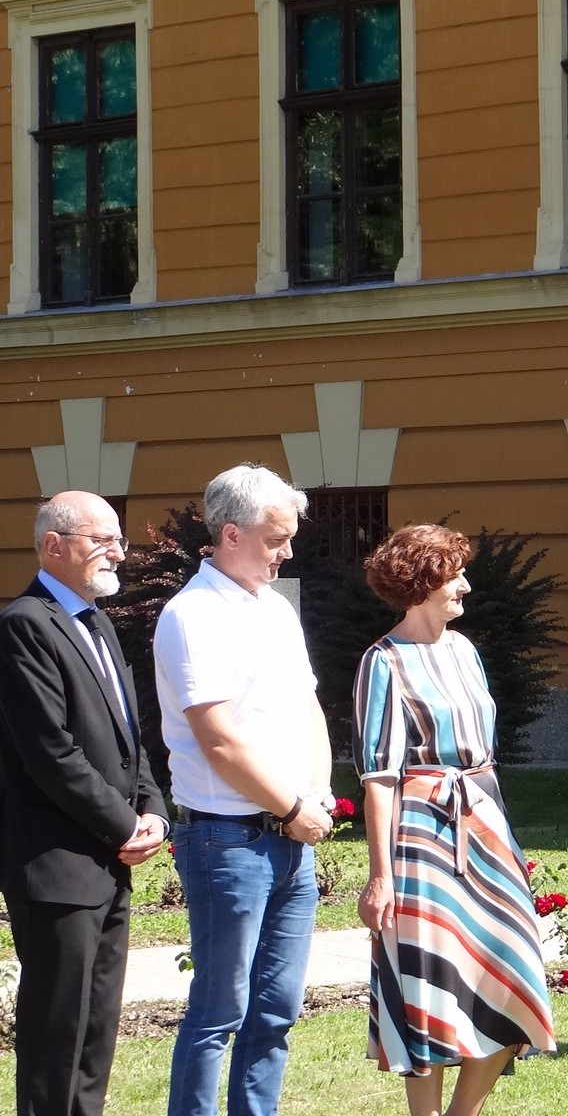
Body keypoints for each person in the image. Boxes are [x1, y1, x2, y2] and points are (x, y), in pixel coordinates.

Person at [353, 524, 555, 1116]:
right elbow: (378, 778)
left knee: (511, 970)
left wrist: (502, 835)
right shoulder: (383, 661)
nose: (465, 585)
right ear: (420, 584)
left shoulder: (465, 650)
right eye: (453, 575)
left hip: (485, 825)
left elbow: (484, 754)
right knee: (430, 986)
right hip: (422, 834)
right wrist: (381, 877)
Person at [154, 463, 336, 1116]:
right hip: (227, 841)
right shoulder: (193, 615)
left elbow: (309, 708)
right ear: (231, 534)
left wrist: (317, 793)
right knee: (218, 1012)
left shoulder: (275, 608)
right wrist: (290, 808)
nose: (285, 552)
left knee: (277, 1012)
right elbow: (220, 741)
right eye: (275, 539)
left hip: (290, 838)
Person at [0, 491, 168, 1116]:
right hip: (57, 867)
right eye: (102, 540)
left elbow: (128, 738)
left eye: (119, 539)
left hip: (109, 862)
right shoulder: (25, 624)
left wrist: (153, 810)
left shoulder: (97, 623)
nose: (118, 552)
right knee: (56, 1034)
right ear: (54, 546)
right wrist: (124, 825)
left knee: (96, 1033)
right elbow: (51, 753)